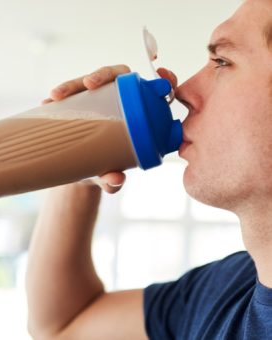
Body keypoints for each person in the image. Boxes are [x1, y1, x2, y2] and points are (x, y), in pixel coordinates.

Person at [26, 0, 272, 338]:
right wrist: (79, 166)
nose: (183, 91)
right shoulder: (223, 290)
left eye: (222, 61)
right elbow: (62, 326)